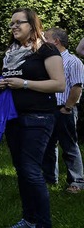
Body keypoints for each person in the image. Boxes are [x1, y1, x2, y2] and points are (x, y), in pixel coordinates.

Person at [0, 8, 65, 228]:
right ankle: (29, 219)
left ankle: (43, 224)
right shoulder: (12, 51)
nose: (14, 27)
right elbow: (13, 79)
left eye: (19, 22)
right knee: (21, 169)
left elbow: (59, 84)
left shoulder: (46, 50)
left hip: (39, 117)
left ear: (32, 24)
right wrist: (2, 83)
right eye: (12, 23)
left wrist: (24, 84)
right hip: (14, 117)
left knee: (31, 169)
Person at [42, 28, 84, 193]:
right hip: (48, 109)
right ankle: (50, 178)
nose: (42, 41)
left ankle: (77, 181)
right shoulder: (48, 61)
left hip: (64, 109)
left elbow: (76, 87)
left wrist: (68, 107)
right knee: (48, 146)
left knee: (69, 146)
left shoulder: (73, 62)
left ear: (56, 41)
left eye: (46, 38)